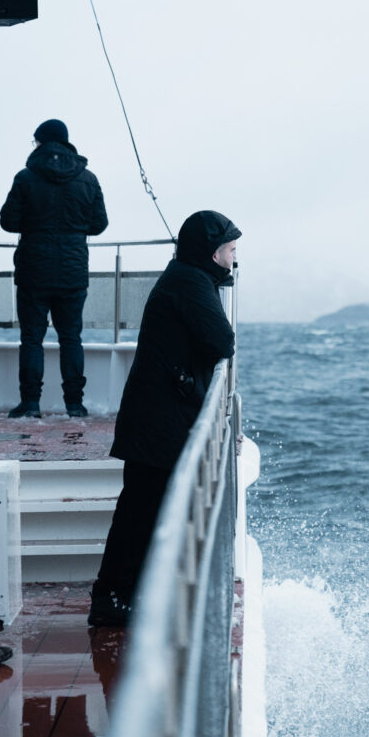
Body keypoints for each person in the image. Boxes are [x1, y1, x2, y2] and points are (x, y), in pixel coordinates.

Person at [88, 210, 240, 627]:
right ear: (211, 252)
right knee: (139, 511)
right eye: (229, 250)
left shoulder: (187, 277)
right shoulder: (190, 283)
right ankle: (111, 598)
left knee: (142, 509)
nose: (233, 260)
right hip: (158, 421)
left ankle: (124, 594)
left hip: (156, 416)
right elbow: (222, 341)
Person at [0, 119, 108, 418]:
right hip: (73, 271)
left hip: (34, 270)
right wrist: (73, 228)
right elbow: (99, 225)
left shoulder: (25, 177)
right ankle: (75, 404)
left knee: (32, 338)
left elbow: (8, 221)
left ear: (41, 143)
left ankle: (31, 404)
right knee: (71, 338)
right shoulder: (88, 178)